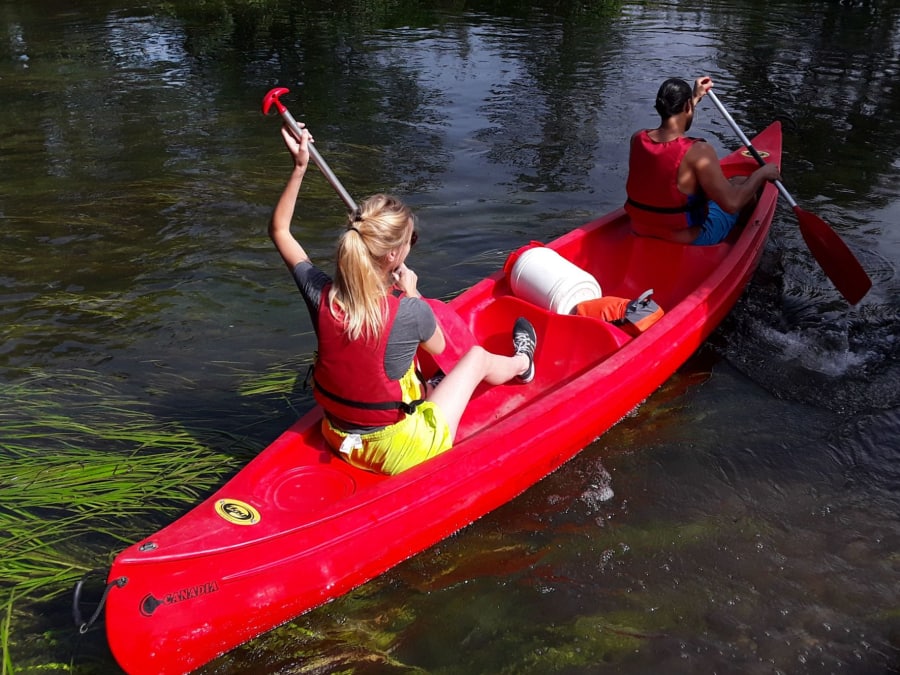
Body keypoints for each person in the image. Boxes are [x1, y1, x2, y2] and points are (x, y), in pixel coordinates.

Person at [268, 123, 537, 475]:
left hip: (336, 434)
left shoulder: (320, 293)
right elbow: (441, 349)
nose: (412, 243)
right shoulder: (410, 311)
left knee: (401, 369)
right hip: (396, 451)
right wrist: (411, 293)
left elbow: (279, 231)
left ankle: (430, 390)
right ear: (394, 255)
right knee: (476, 359)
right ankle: (523, 364)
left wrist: (300, 167)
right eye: (411, 240)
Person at [625, 76, 781, 245]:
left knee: (731, 184)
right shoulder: (699, 151)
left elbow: (672, 131)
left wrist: (695, 97)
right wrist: (761, 174)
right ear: (687, 106)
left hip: (640, 229)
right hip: (688, 238)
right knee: (743, 185)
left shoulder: (638, 138)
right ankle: (737, 242)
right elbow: (732, 204)